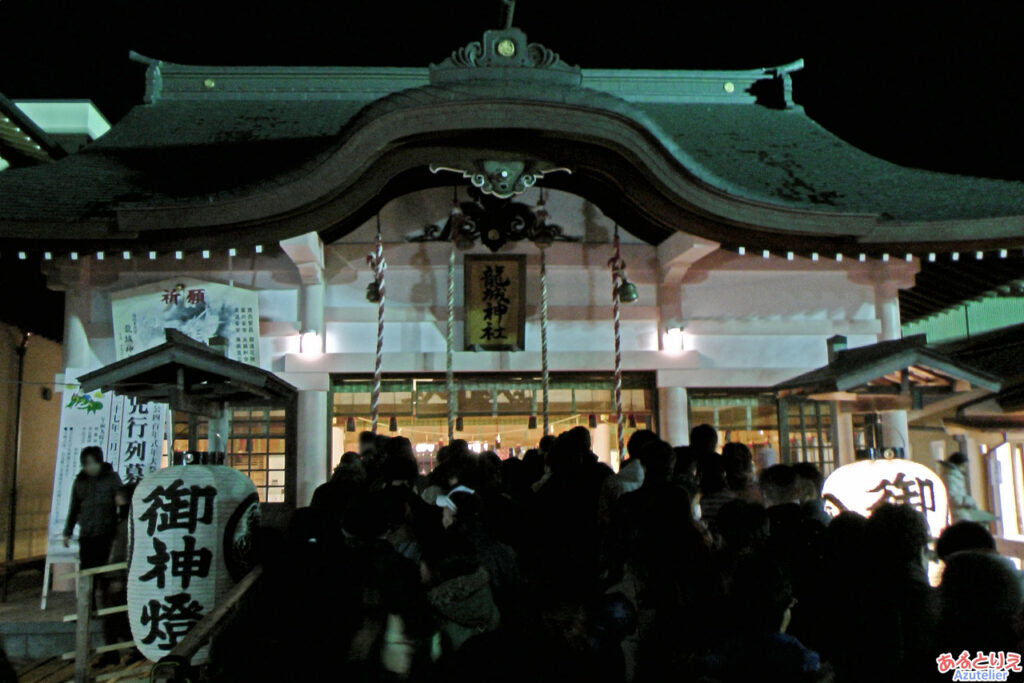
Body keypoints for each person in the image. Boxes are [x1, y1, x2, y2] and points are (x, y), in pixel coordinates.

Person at [63, 446, 123, 569]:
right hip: (86, 534)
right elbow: (74, 508)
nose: (90, 467)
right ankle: (90, 589)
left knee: (104, 569)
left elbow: (122, 502)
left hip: (107, 533)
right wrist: (67, 532)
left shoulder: (111, 478)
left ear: (100, 462)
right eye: (86, 464)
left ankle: (100, 588)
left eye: (93, 463)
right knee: (87, 568)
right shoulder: (80, 481)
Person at [939, 452, 997, 522]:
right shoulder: (950, 478)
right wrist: (968, 501)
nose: (964, 470)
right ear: (958, 465)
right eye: (963, 466)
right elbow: (952, 498)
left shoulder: (954, 477)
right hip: (956, 516)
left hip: (958, 514)